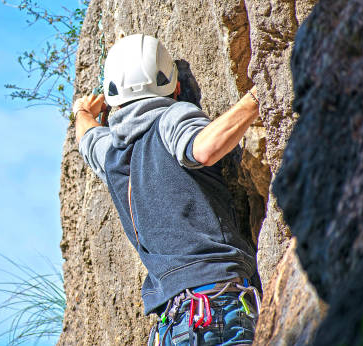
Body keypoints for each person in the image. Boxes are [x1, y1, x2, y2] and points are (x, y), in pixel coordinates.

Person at [73, 34, 261, 346]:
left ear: (112, 100)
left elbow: (86, 138)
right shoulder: (171, 117)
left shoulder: (111, 155)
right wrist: (257, 97)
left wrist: (83, 112)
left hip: (171, 324)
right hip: (215, 306)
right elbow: (203, 149)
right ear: (174, 86)